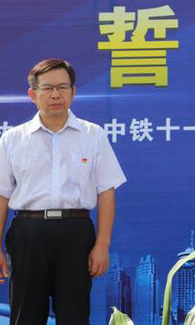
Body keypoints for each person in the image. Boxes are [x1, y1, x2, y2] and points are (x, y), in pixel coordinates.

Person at [0, 58, 127, 324]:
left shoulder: (93, 135)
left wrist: (102, 245)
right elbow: (2, 195)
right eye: (47, 88)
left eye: (62, 87)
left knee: (74, 315)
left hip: (76, 233)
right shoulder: (13, 139)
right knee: (25, 315)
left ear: (73, 92)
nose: (56, 94)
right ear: (32, 94)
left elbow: (107, 191)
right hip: (28, 232)